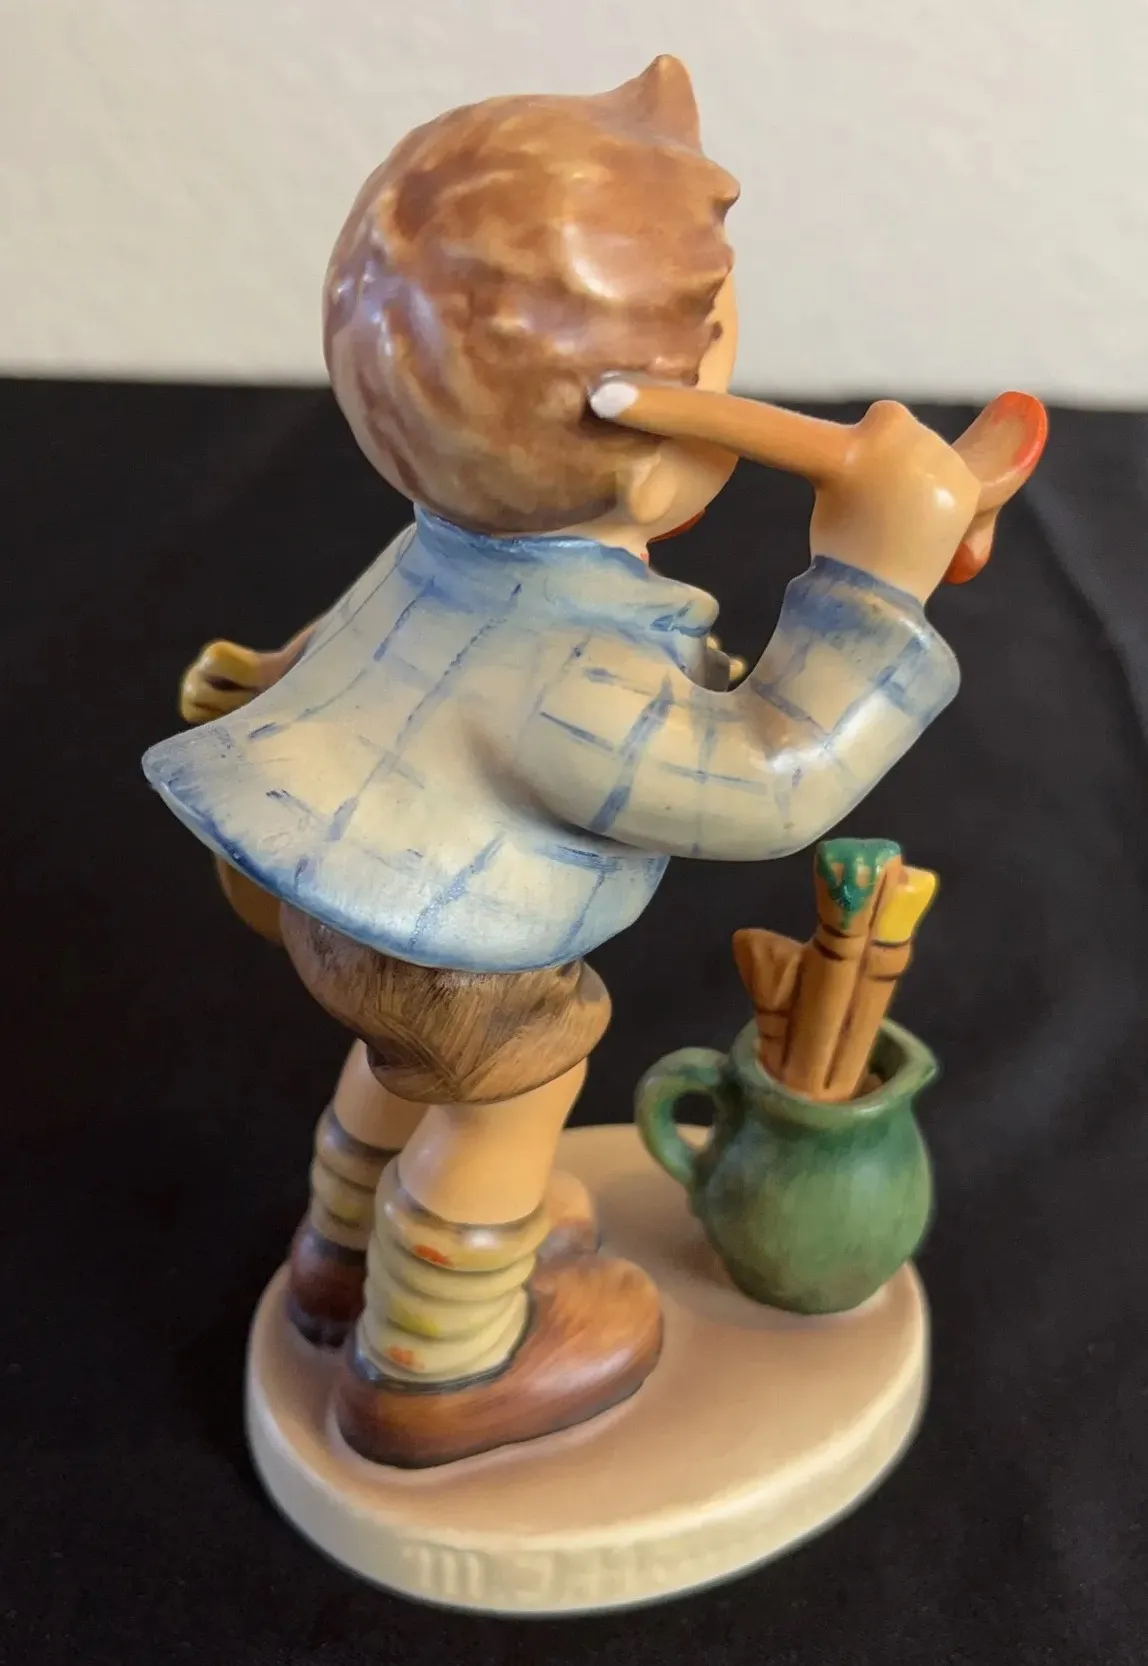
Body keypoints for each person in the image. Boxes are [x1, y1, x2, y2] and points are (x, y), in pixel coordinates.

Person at [144, 55, 1043, 1466]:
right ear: (651, 438)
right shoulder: (574, 668)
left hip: (342, 893)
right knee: (509, 1096)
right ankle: (439, 1358)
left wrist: (263, 681)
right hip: (460, 947)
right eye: (723, 342)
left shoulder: (443, 542)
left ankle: (341, 1248)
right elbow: (774, 780)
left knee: (400, 1064)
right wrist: (873, 587)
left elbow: (349, 646)